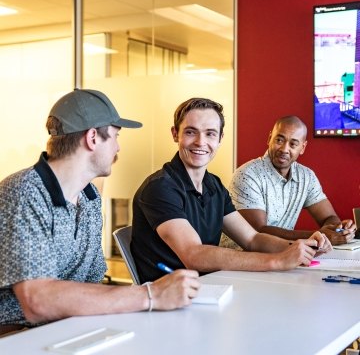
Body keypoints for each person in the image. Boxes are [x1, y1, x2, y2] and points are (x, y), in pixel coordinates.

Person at [0, 89, 201, 335]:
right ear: (93, 137)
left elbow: (91, 281)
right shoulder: (23, 193)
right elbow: (36, 301)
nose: (118, 147)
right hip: (17, 336)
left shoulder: (89, 199)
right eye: (115, 136)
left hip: (68, 328)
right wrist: (150, 295)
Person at [130, 98, 332, 283]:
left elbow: (252, 239)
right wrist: (277, 261)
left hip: (208, 288)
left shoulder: (213, 185)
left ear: (220, 138)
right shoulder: (159, 188)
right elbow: (194, 255)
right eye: (191, 132)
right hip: (165, 300)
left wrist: (302, 247)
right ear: (175, 134)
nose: (201, 142)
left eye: (210, 133)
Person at [226, 115, 356, 248]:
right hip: (239, 259)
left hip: (282, 255)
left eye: (293, 144)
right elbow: (258, 231)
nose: (284, 149)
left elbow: (328, 217)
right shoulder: (247, 175)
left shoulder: (306, 176)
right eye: (279, 140)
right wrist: (318, 235)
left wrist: (337, 229)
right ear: (269, 138)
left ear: (303, 147)